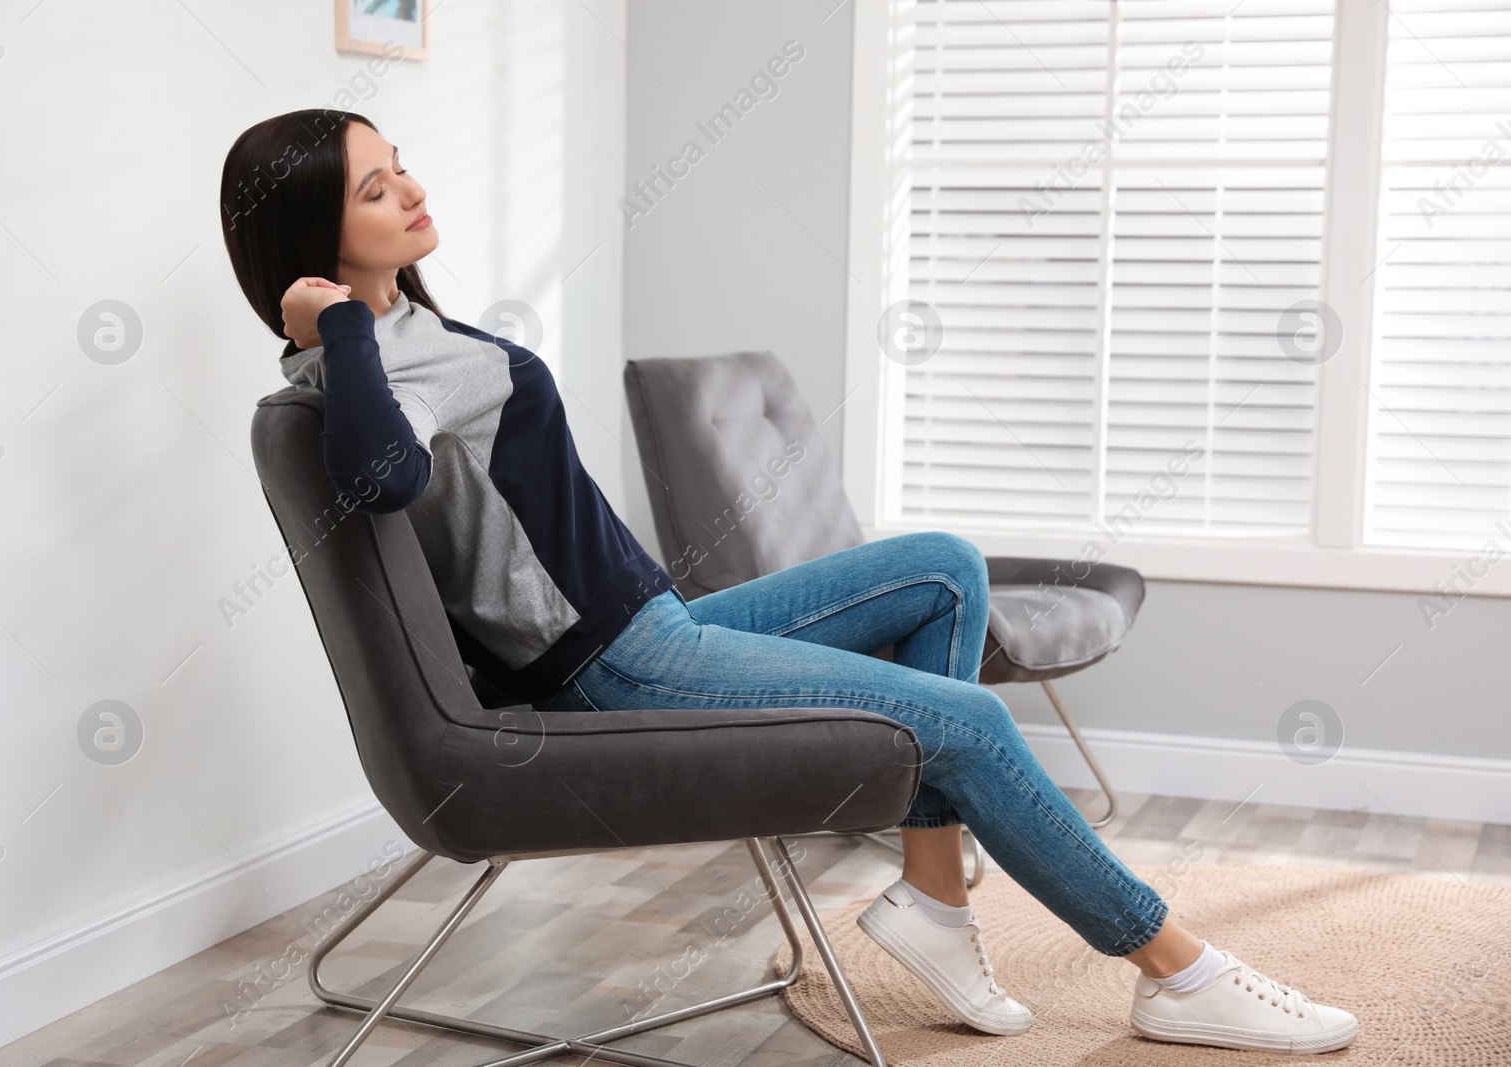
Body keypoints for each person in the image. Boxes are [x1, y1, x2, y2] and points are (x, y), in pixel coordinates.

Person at [220, 109, 1360, 1055]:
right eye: (376, 190)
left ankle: (931, 898)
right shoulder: (373, 358)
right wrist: (338, 331)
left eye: (398, 162)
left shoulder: (409, 324)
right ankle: (1173, 968)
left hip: (650, 620)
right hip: (617, 667)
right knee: (961, 717)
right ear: (314, 241)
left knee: (943, 567)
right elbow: (378, 471)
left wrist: (361, 319)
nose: (410, 189)